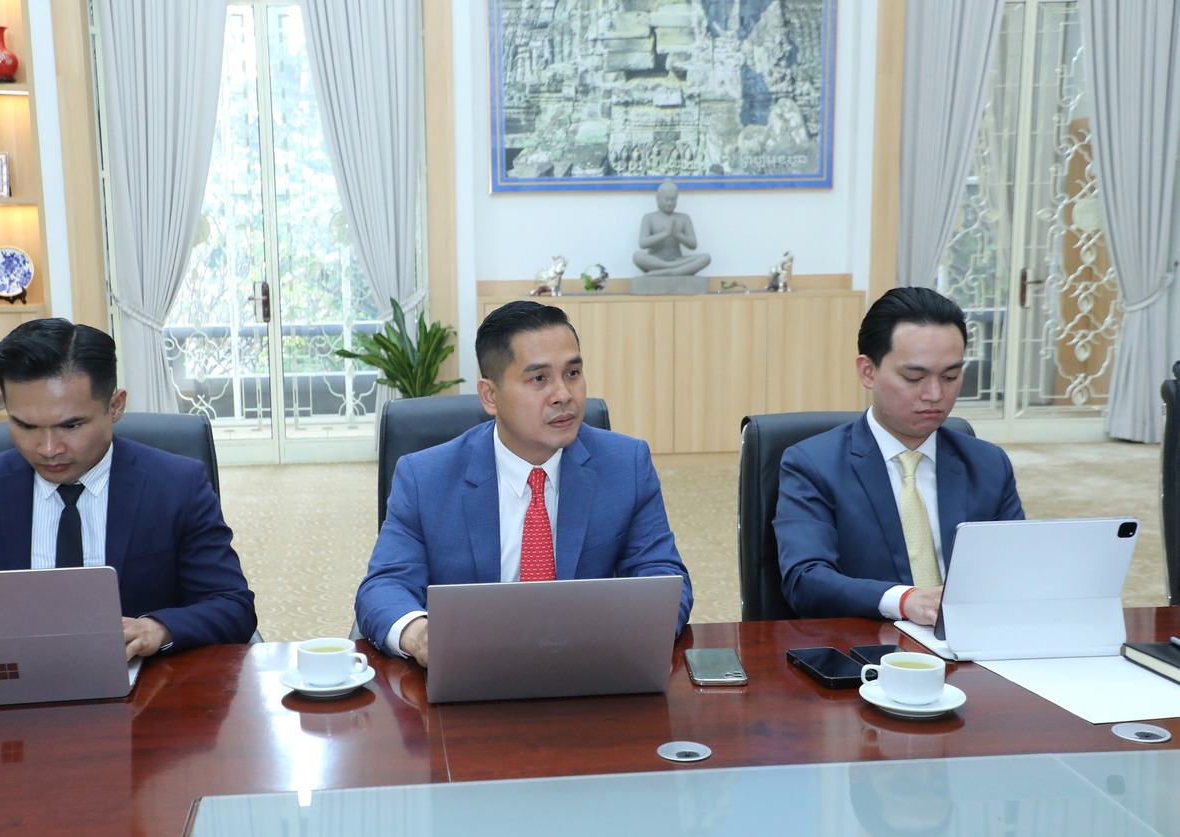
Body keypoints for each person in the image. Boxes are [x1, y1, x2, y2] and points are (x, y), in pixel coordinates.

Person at [0, 318, 256, 672]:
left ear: (115, 406)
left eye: (70, 426)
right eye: (26, 426)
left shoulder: (176, 485)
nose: (47, 449)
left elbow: (232, 605)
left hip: (142, 699)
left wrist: (158, 628)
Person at [355, 300, 693, 666]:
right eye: (539, 379)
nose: (564, 394)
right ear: (490, 396)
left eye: (573, 373)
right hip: (472, 672)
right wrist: (420, 635)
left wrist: (622, 633)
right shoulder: (424, 478)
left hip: (590, 669)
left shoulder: (626, 465)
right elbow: (383, 587)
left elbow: (665, 578)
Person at [773, 287, 1023, 625]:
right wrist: (904, 601)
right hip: (869, 643)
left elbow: (1017, 568)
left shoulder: (988, 464)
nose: (935, 394)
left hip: (972, 637)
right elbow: (805, 580)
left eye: (950, 377)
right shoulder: (813, 464)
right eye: (914, 377)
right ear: (868, 371)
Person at [632, 179, 711, 277]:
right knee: (637, 257)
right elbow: (643, 243)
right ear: (658, 199)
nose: (669, 203)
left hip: (678, 259)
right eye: (666, 199)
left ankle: (669, 272)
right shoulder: (649, 217)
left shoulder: (684, 218)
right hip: (655, 260)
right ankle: (672, 268)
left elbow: (693, 245)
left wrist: (678, 235)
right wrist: (665, 233)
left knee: (706, 258)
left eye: (673, 200)